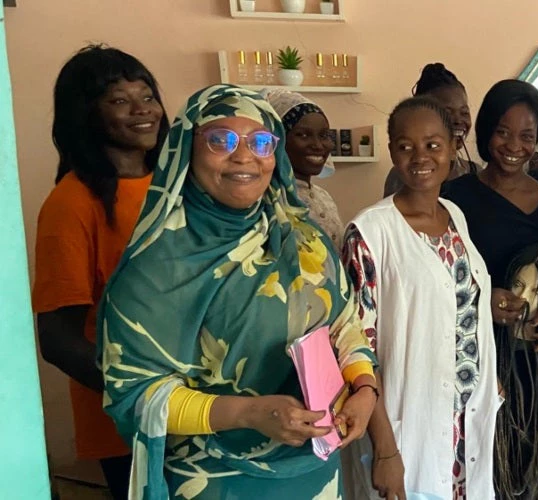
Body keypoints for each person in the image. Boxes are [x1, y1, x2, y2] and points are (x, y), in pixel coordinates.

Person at [97, 85, 379, 498]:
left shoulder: (304, 240)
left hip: (313, 472)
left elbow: (344, 323)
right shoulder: (157, 265)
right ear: (186, 149)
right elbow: (137, 395)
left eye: (261, 141)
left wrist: (364, 387)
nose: (245, 156)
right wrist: (248, 412)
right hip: (214, 479)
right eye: (221, 139)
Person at [340, 96, 500, 500]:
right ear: (392, 150)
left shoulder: (454, 217)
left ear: (452, 147)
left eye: (432, 144)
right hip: (405, 430)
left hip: (464, 425)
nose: (419, 157)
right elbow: (358, 348)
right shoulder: (370, 233)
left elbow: (456, 303)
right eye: (405, 145)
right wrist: (386, 451)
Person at [32, 44, 170, 500]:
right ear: (85, 113)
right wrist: (138, 396)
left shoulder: (176, 185)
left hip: (203, 403)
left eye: (147, 95)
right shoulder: (71, 204)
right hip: (131, 419)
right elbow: (57, 336)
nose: (141, 110)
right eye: (119, 100)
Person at [441, 79, 538, 499]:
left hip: (536, 367)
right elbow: (434, 276)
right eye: (503, 131)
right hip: (472, 361)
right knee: (481, 471)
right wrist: (484, 298)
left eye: (527, 135)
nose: (513, 145)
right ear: (485, 131)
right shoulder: (451, 198)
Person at [263, 89, 344, 247]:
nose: (318, 145)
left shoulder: (323, 197)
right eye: (303, 135)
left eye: (323, 135)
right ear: (278, 140)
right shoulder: (269, 199)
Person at [384, 63, 477, 197]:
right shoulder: (404, 175)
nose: (457, 120)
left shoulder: (474, 173)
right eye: (447, 112)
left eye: (464, 112)